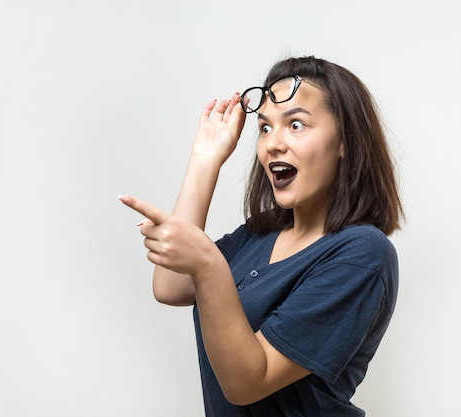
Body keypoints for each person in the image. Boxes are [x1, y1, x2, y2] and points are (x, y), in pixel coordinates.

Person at [119, 55, 404, 416]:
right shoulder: (262, 232)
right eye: (265, 128)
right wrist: (205, 160)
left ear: (345, 141)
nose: (273, 144)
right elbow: (171, 286)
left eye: (296, 124)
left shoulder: (362, 253)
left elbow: (247, 383)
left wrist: (208, 264)